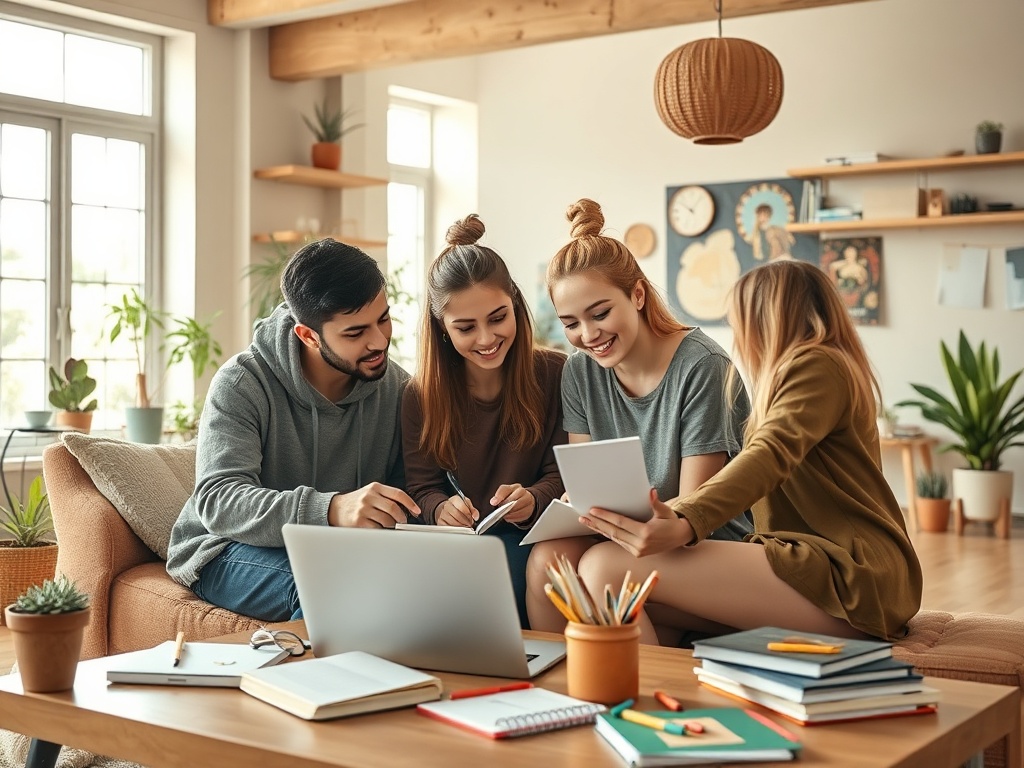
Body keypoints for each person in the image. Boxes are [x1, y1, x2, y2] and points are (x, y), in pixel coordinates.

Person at [575, 259, 923, 644]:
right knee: (639, 603)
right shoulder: (808, 372)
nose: (739, 337)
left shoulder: (818, 366)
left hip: (853, 574)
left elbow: (768, 454)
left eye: (740, 321)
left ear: (767, 318)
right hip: (819, 563)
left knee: (604, 568)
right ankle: (661, 695)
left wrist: (685, 518)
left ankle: (632, 700)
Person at [525, 198, 753, 638]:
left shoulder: (702, 366)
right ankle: (561, 699)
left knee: (599, 570)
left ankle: (643, 697)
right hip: (623, 541)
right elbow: (589, 489)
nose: (588, 336)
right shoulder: (579, 370)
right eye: (570, 323)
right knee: (546, 563)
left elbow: (692, 512)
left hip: (699, 547)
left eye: (600, 313)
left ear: (637, 294)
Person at [166, 238, 419, 621]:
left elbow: (409, 489)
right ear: (308, 335)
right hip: (226, 548)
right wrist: (331, 509)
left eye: (383, 319)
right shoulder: (242, 384)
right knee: (325, 584)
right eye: (355, 333)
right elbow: (220, 501)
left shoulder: (398, 389)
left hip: (343, 551)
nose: (379, 340)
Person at [402, 214, 567, 627]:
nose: (487, 339)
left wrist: (532, 498)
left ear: (515, 303)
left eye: (498, 318)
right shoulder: (420, 395)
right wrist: (440, 509)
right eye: (465, 328)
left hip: (533, 541)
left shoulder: (556, 373)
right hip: (460, 548)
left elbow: (565, 475)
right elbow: (420, 487)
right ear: (442, 329)